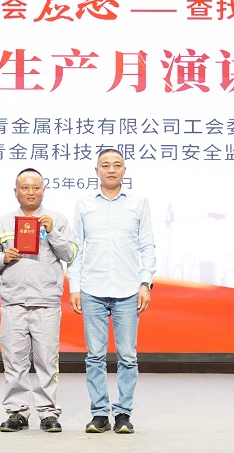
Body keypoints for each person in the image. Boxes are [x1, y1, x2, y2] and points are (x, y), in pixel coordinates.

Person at [0, 168, 76, 434]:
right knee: (15, 361)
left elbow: (70, 253)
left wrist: (52, 232)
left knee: (47, 361)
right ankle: (17, 412)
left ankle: (48, 413)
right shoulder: (3, 222)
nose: (30, 192)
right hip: (13, 303)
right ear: (16, 192)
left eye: (35, 187)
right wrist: (3, 257)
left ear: (43, 190)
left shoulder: (57, 219)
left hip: (46, 303)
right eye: (25, 188)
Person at [69, 149, 156, 435]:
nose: (111, 170)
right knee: (95, 356)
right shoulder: (84, 204)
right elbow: (76, 249)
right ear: (96, 171)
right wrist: (74, 287)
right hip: (92, 289)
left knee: (128, 356)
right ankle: (99, 414)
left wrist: (145, 283)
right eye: (105, 165)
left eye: (117, 165)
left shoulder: (138, 202)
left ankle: (123, 414)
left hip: (128, 289)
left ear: (124, 170)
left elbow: (147, 246)